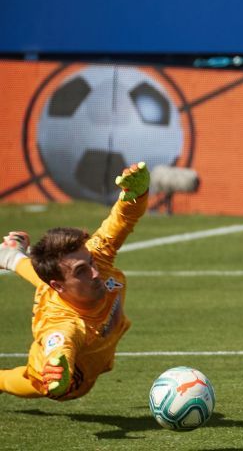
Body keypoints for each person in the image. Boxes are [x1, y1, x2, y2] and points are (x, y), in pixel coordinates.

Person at [0, 162, 150, 400]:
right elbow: (61, 343)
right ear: (58, 286)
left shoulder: (96, 257)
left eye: (89, 262)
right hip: (70, 367)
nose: (94, 272)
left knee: (54, 278)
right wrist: (57, 368)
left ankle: (9, 256)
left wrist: (136, 195)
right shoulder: (63, 324)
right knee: (34, 381)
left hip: (64, 294)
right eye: (81, 271)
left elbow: (121, 220)